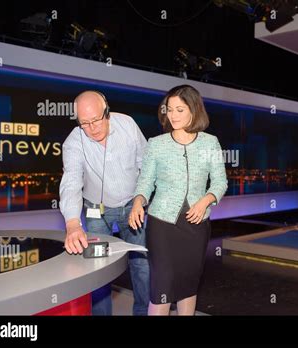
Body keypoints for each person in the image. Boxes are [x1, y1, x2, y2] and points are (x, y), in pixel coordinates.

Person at [129, 85, 228, 315]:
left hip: (196, 225)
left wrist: (205, 201)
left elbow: (220, 182)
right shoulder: (156, 144)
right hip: (162, 224)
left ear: (194, 110)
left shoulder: (209, 143)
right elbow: (145, 183)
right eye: (169, 109)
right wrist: (137, 202)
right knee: (161, 289)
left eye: (179, 109)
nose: (172, 115)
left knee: (188, 286)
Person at [59, 90, 150, 315]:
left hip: (133, 205)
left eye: (96, 120)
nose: (92, 128)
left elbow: (146, 165)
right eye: (84, 123)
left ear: (107, 112)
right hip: (96, 211)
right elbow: (71, 182)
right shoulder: (73, 142)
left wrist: (141, 199)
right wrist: (72, 224)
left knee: (141, 264)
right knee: (98, 267)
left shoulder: (127, 125)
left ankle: (143, 312)